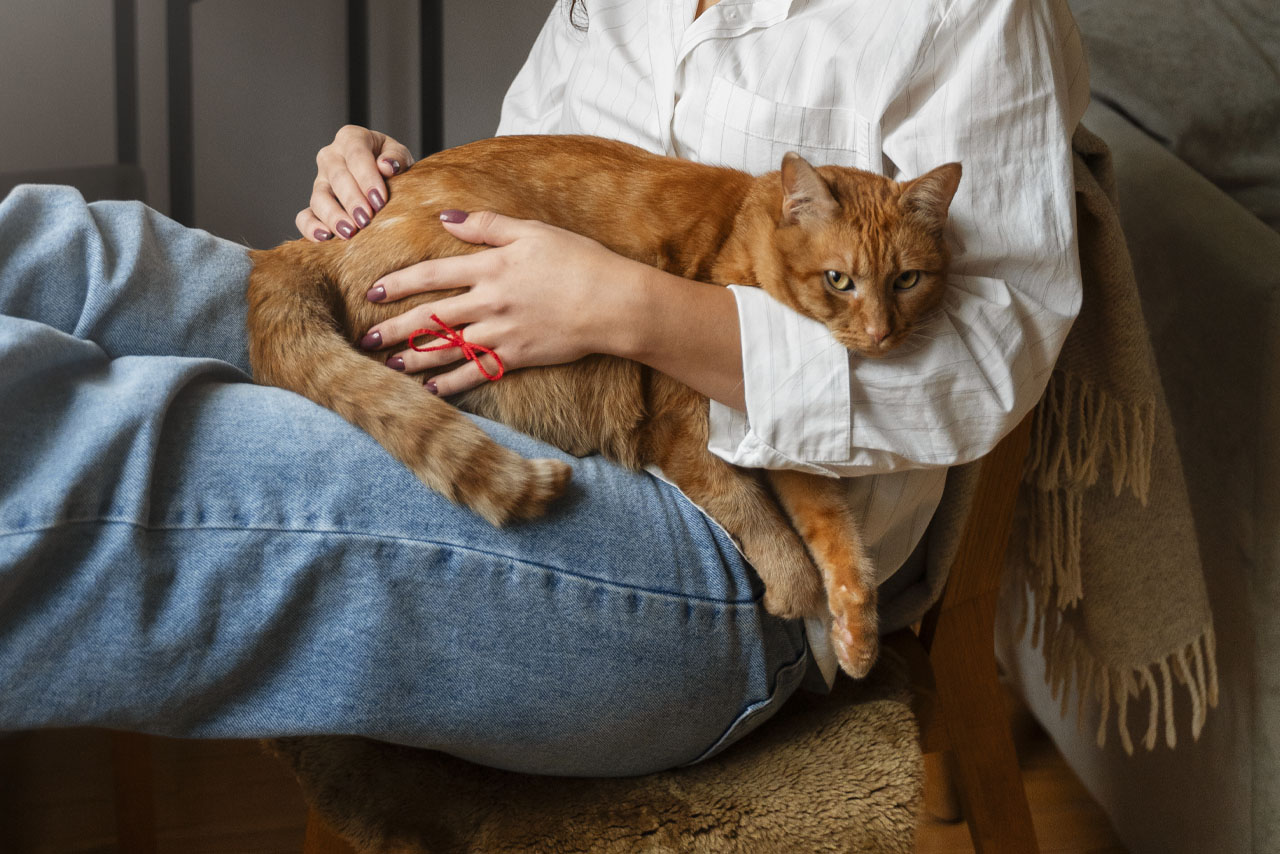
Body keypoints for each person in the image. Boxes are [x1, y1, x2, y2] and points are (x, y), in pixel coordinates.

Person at [0, 0, 1086, 778]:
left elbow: (985, 367)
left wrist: (626, 307)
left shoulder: (975, 15)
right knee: (67, 251)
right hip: (520, 383)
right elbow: (551, 186)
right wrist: (407, 185)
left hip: (722, 554)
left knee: (116, 461)